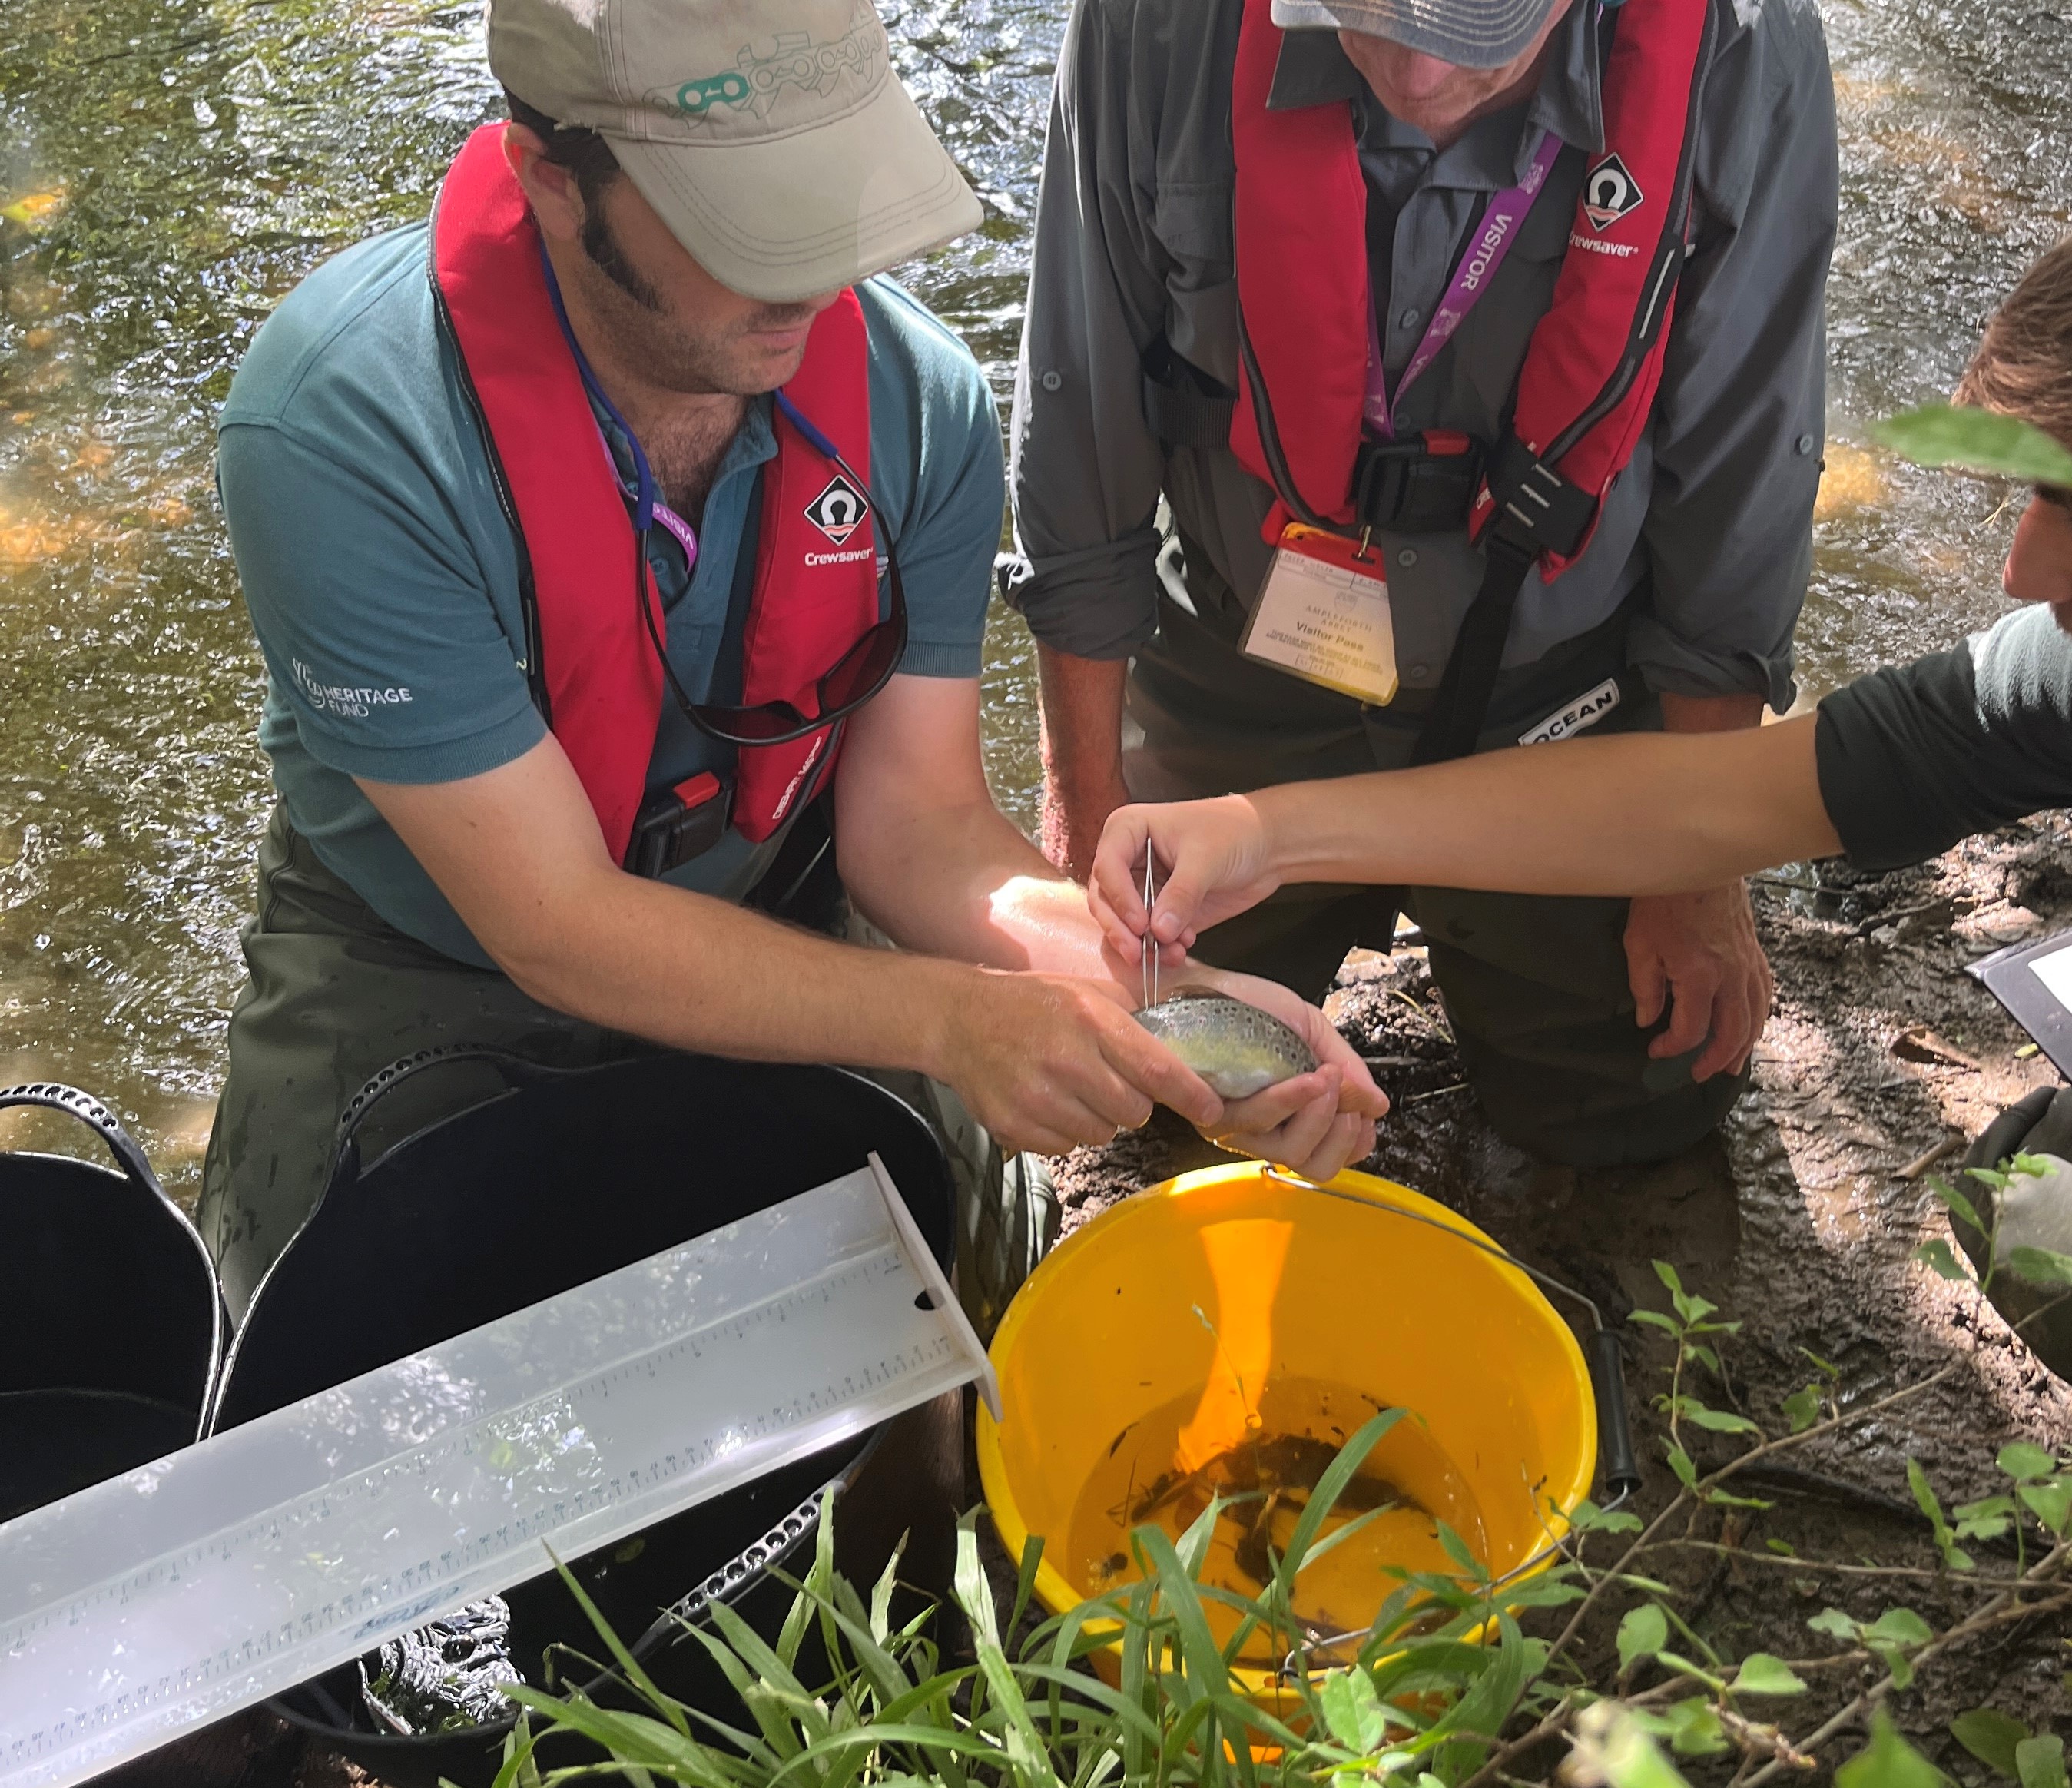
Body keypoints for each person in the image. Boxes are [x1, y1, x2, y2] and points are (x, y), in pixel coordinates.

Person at [196, 0, 1383, 1333]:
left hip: (781, 889)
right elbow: (554, 924)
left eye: (830, 195)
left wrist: (1173, 1002)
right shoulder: (340, 427)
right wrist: (948, 1021)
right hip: (419, 946)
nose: (815, 278)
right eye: (743, 218)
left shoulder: (917, 399)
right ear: (552, 179)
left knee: (963, 1303)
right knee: (304, 1360)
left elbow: (921, 828)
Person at [1089, 234, 2072, 1368]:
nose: (2020, 573)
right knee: (2013, 1209)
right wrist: (1272, 834)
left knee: (2047, 1243)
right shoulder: (2045, 677)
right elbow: (1703, 803)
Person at [1003, 0, 1838, 1168]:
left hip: (1561, 703)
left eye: (1475, 20)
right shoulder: (1155, 21)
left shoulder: (1741, 48)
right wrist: (1084, 810)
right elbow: (1077, 428)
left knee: (1642, 1101)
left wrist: (1695, 873)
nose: (1413, 70)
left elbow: (1742, 480)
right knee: (1146, 1093)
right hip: (1247, 663)